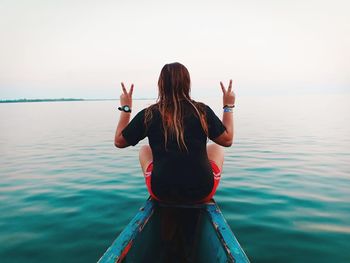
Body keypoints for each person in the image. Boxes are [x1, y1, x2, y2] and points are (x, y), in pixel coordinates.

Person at [114, 62, 235, 204]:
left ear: (161, 85)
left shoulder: (149, 114)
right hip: (201, 192)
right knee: (216, 148)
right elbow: (227, 140)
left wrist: (126, 107)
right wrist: (228, 106)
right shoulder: (201, 111)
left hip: (161, 193)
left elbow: (119, 141)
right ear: (187, 84)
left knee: (145, 150)